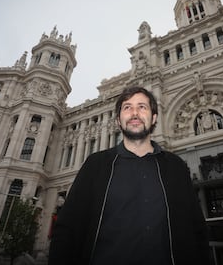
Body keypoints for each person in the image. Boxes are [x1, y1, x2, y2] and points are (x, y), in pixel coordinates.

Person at [48, 86, 209, 265]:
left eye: (142, 107)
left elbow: (197, 230)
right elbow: (66, 231)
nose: (134, 113)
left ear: (154, 117)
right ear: (118, 120)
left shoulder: (176, 167)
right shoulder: (95, 166)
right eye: (127, 107)